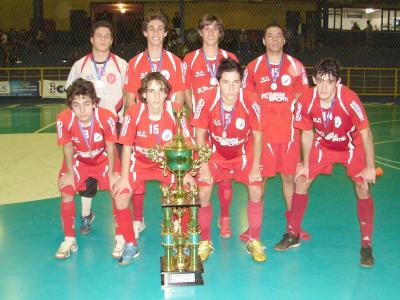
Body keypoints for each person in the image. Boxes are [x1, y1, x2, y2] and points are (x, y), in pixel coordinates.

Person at [290, 57, 376, 267]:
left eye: (330, 81)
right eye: (321, 80)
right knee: (302, 180)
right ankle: (292, 234)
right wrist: (306, 164)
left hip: (351, 146)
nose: (324, 86)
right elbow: (307, 134)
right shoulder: (307, 100)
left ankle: (366, 244)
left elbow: (366, 133)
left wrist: (370, 167)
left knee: (362, 187)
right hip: (323, 146)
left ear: (338, 82)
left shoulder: (349, 99)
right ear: (314, 80)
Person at [113, 72, 195, 265]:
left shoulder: (177, 110)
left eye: (161, 90)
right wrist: (124, 177)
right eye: (151, 91)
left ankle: (179, 234)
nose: (156, 95)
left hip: (168, 165)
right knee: (120, 194)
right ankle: (130, 244)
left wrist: (188, 173)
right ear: (143, 94)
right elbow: (126, 146)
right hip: (140, 164)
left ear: (167, 93)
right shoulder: (133, 112)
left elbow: (189, 143)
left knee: (186, 193)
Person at [192, 58, 266, 262]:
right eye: (226, 82)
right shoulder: (206, 99)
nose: (231, 88)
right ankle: (205, 241)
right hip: (214, 153)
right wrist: (204, 165)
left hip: (242, 153)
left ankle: (254, 241)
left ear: (242, 82)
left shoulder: (251, 100)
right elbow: (199, 134)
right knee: (204, 189)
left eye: (236, 82)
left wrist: (254, 166)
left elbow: (258, 136)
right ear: (218, 83)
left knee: (256, 189)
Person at [242, 23, 309, 247]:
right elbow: (246, 99)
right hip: (262, 135)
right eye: (269, 36)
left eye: (278, 36)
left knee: (289, 179)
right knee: (258, 182)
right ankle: (253, 227)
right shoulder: (253, 67)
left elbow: (305, 97)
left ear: (284, 40)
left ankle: (294, 226)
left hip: (289, 134)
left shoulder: (296, 66)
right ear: (263, 41)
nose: (274, 40)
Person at [123, 10, 186, 239]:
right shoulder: (134, 63)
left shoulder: (175, 62)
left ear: (166, 33)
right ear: (144, 32)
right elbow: (130, 100)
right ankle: (137, 220)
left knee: (174, 181)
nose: (156, 33)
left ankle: (176, 223)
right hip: (142, 133)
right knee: (136, 183)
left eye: (160, 28)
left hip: (168, 132)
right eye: (151, 28)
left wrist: (173, 134)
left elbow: (178, 99)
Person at [65, 21, 128, 239]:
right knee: (87, 170)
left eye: (107, 36)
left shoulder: (121, 65)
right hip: (86, 127)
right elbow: (71, 95)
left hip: (114, 127)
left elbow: (128, 96)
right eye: (98, 35)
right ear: (91, 39)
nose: (103, 39)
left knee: (117, 174)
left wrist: (113, 116)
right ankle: (85, 213)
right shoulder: (80, 66)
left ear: (112, 40)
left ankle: (124, 222)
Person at [183, 15, 239, 238]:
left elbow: (236, 89)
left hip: (225, 125)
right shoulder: (189, 59)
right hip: (200, 125)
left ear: (220, 32)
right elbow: (186, 91)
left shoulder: (229, 57)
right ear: (199, 32)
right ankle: (199, 222)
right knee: (202, 174)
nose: (210, 32)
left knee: (225, 173)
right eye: (206, 28)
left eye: (215, 28)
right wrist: (200, 113)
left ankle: (224, 217)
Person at [55, 78, 119, 259]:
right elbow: (67, 147)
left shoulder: (107, 117)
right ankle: (69, 239)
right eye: (76, 105)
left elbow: (110, 146)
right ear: (70, 105)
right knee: (66, 189)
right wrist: (68, 173)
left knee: (119, 189)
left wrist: (113, 173)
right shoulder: (63, 119)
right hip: (79, 160)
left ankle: (121, 237)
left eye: (87, 103)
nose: (82, 110)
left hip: (103, 159)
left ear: (94, 103)